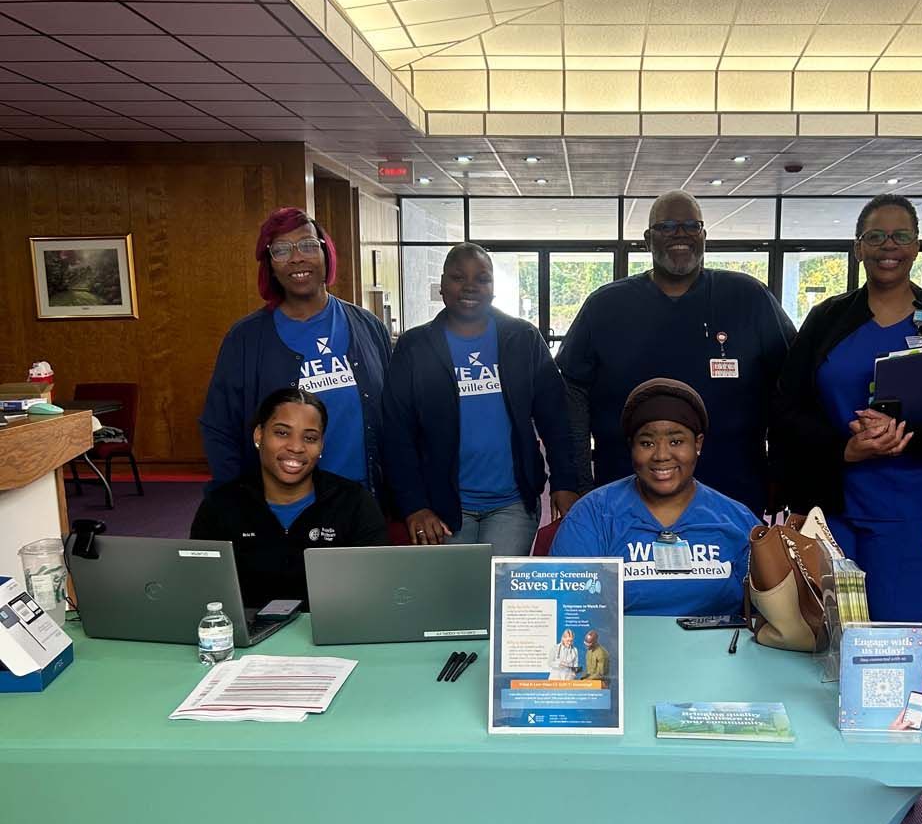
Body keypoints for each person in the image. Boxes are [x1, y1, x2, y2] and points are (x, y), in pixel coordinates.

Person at [770, 193, 922, 648]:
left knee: (898, 643)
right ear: (859, 248)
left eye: (900, 236)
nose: (887, 246)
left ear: (917, 246)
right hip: (832, 506)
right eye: (875, 236)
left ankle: (894, 721)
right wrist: (844, 448)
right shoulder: (828, 319)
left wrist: (910, 438)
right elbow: (785, 407)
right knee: (825, 636)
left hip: (914, 511)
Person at [556, 190, 795, 513]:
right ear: (647, 239)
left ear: (704, 236)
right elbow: (572, 392)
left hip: (733, 489)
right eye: (667, 227)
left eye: (690, 226)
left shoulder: (748, 297)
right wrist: (576, 480)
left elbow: (791, 387)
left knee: (738, 565)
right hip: (624, 492)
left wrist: (783, 470)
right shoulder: (606, 306)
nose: (680, 235)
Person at [381, 243, 578, 556]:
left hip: (512, 503)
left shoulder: (522, 338)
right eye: (458, 277)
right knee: (455, 599)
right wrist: (414, 506)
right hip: (441, 505)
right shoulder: (415, 346)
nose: (470, 286)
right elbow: (396, 432)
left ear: (493, 288)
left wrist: (565, 482)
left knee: (497, 594)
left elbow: (555, 417)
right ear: (443, 286)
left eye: (482, 278)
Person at [200, 207, 391, 493]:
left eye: (308, 245)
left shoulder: (368, 327)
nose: (297, 257)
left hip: (365, 501)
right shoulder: (245, 339)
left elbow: (396, 417)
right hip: (282, 506)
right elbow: (219, 427)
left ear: (326, 253)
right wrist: (234, 500)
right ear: (270, 265)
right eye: (281, 250)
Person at [551, 378, 757, 617]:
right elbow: (566, 607)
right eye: (647, 443)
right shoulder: (593, 515)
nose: (661, 455)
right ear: (632, 447)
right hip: (623, 652)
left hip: (719, 652)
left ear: (697, 444)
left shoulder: (738, 521)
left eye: (676, 441)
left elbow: (767, 613)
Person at [190, 387, 386, 609]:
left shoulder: (355, 503)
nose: (296, 447)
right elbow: (200, 591)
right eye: (282, 433)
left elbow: (375, 591)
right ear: (259, 435)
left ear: (321, 446)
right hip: (244, 639)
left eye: (310, 437)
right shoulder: (220, 505)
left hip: (332, 636)